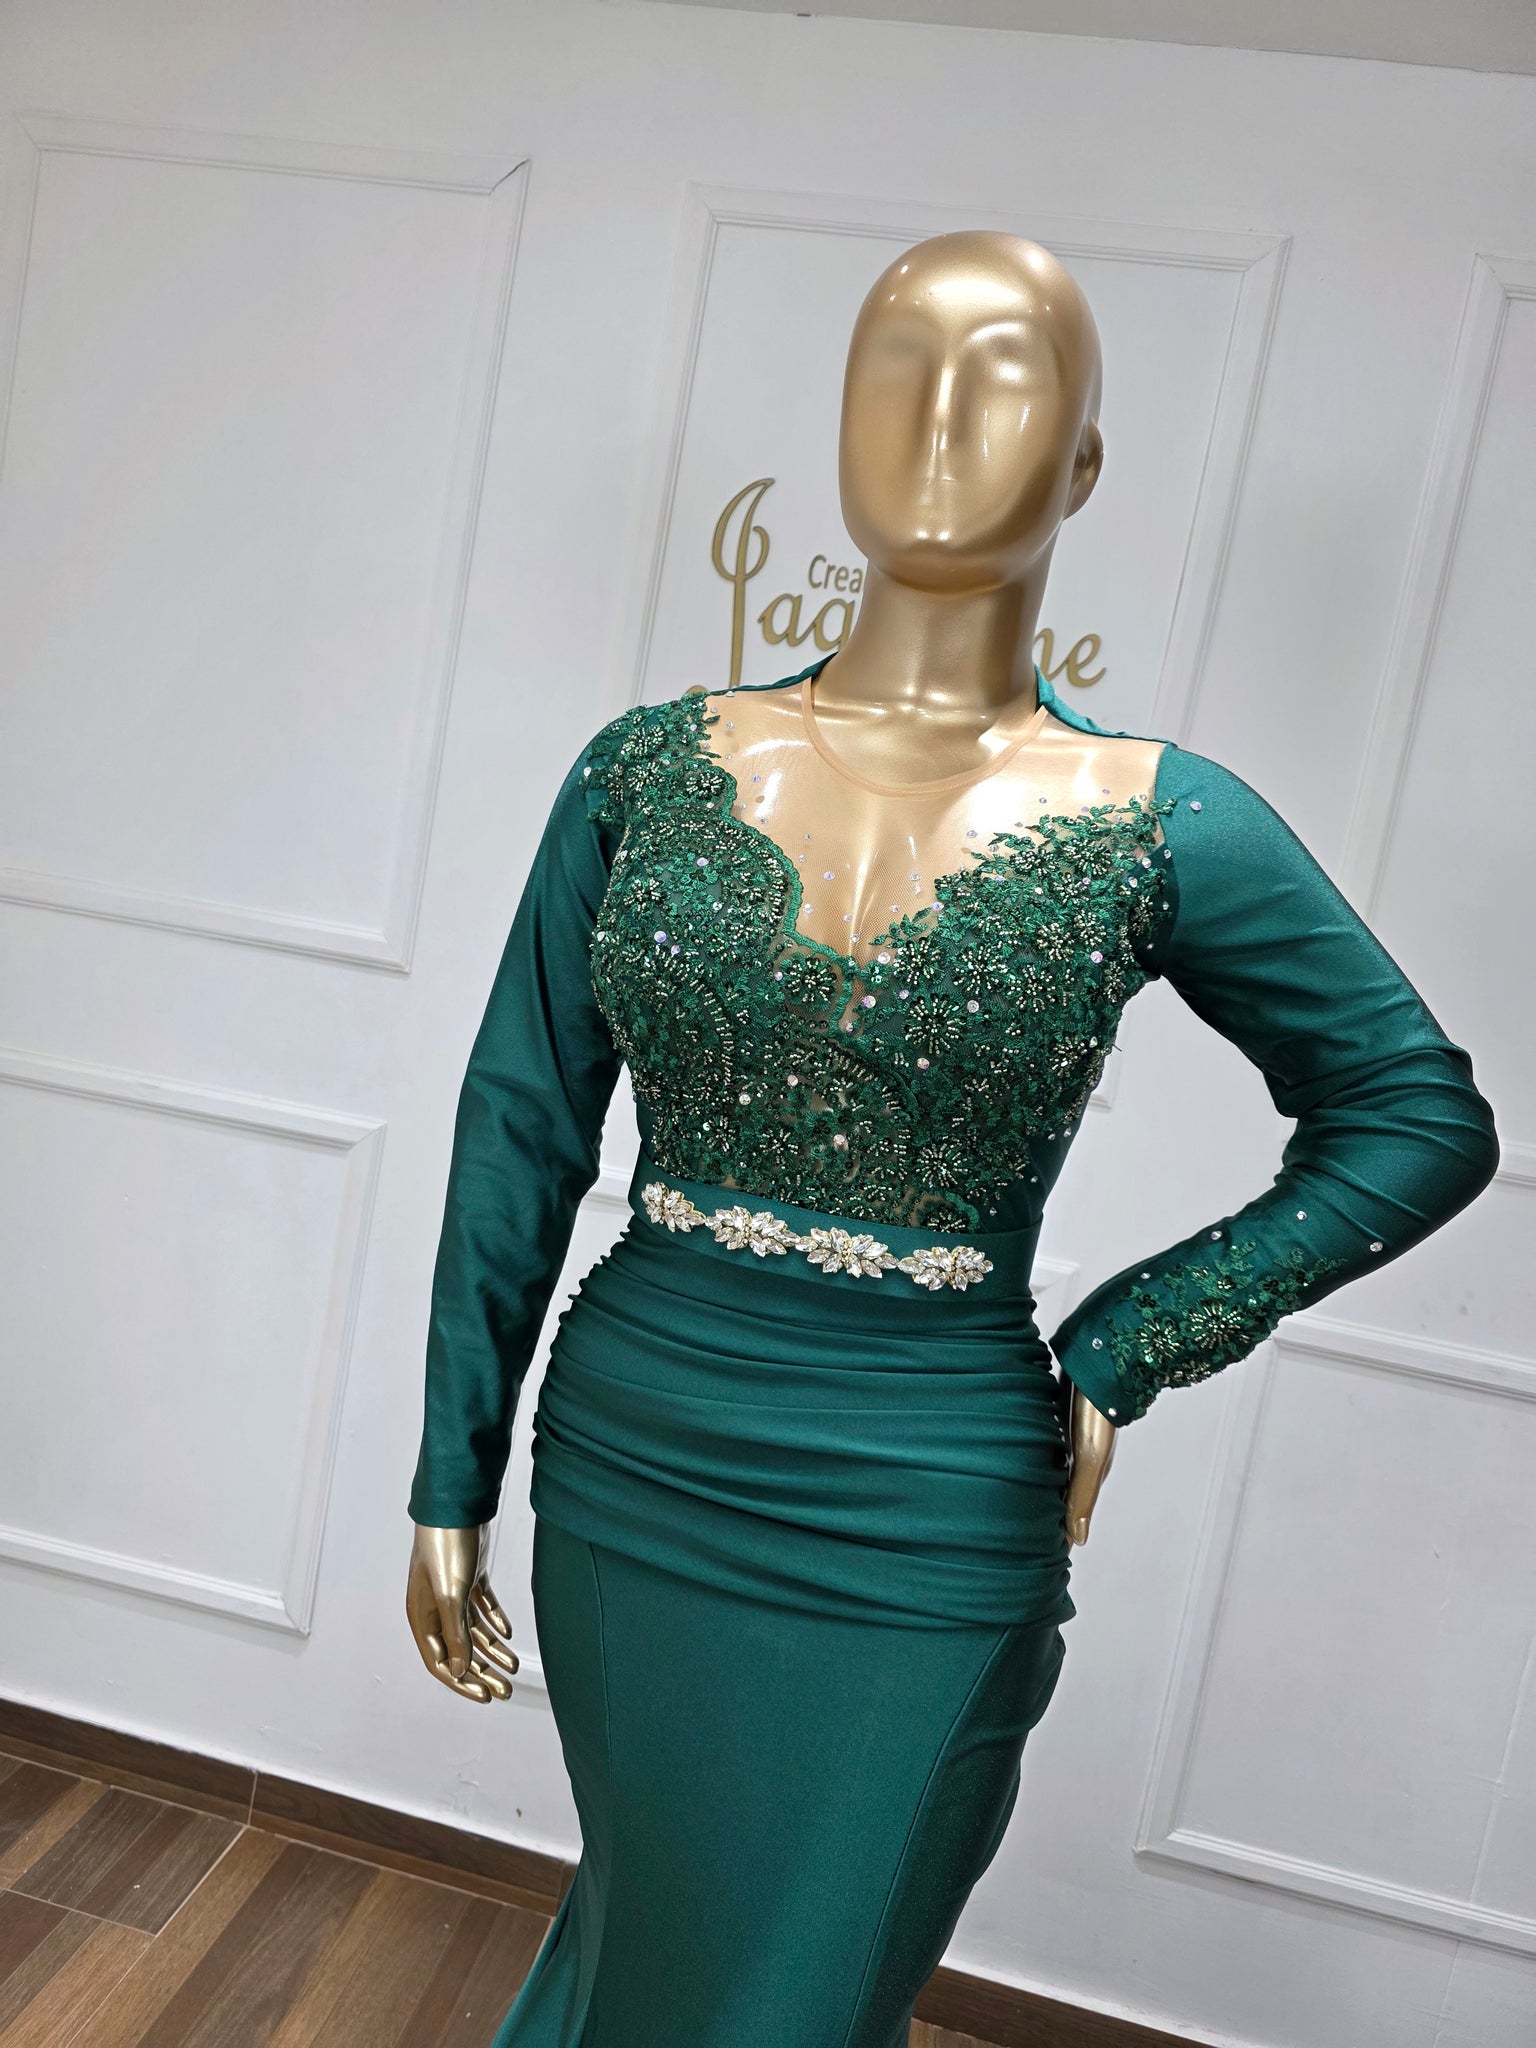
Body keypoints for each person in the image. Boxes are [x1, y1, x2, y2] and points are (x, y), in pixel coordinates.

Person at [405, 234, 1499, 2048]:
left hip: (926, 1503)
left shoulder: (1158, 820)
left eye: (1004, 380)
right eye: (895, 369)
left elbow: (1415, 1115)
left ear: (1085, 464)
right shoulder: (646, 771)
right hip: (638, 1461)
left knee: (807, 1999)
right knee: (648, 1935)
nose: (936, 418)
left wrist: (1135, 1340)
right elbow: (520, 1125)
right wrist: (452, 1477)